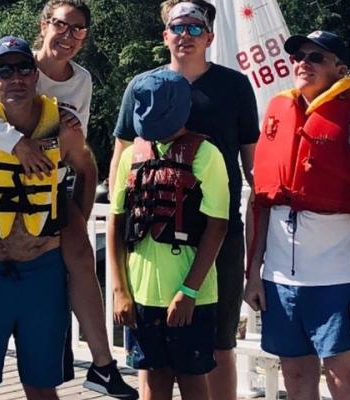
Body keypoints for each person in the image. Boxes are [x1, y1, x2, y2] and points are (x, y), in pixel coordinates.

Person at [0, 2, 137, 397]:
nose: (15, 77)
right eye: (4, 70)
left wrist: (72, 218)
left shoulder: (68, 109)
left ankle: (103, 365)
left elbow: (87, 167)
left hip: (42, 260)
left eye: (22, 70)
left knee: (42, 385)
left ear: (35, 75)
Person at [109, 2, 258, 396]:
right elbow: (123, 151)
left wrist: (266, 221)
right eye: (178, 27)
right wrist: (119, 221)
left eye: (195, 29)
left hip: (217, 231)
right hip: (149, 236)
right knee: (150, 356)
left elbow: (253, 162)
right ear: (164, 36)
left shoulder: (234, 85)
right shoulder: (142, 85)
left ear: (210, 37)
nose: (186, 36)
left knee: (220, 339)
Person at [242, 30, 350, 400]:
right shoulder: (275, 123)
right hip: (279, 279)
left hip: (338, 279)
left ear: (340, 70)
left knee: (343, 377)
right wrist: (253, 275)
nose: (303, 63)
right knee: (294, 375)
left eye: (316, 58)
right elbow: (259, 206)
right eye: (298, 57)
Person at [108, 69, 228, 400]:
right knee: (153, 379)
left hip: (192, 294)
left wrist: (189, 291)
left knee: (192, 380)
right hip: (141, 291)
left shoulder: (207, 155)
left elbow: (218, 225)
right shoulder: (131, 156)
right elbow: (116, 222)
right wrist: (119, 290)